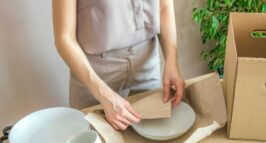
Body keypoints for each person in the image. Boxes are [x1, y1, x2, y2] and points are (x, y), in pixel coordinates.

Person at [52, 0, 185, 131]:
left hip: (147, 66)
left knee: (156, 137)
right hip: (95, 77)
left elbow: (164, 7)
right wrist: (104, 95)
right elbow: (65, 38)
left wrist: (172, 62)